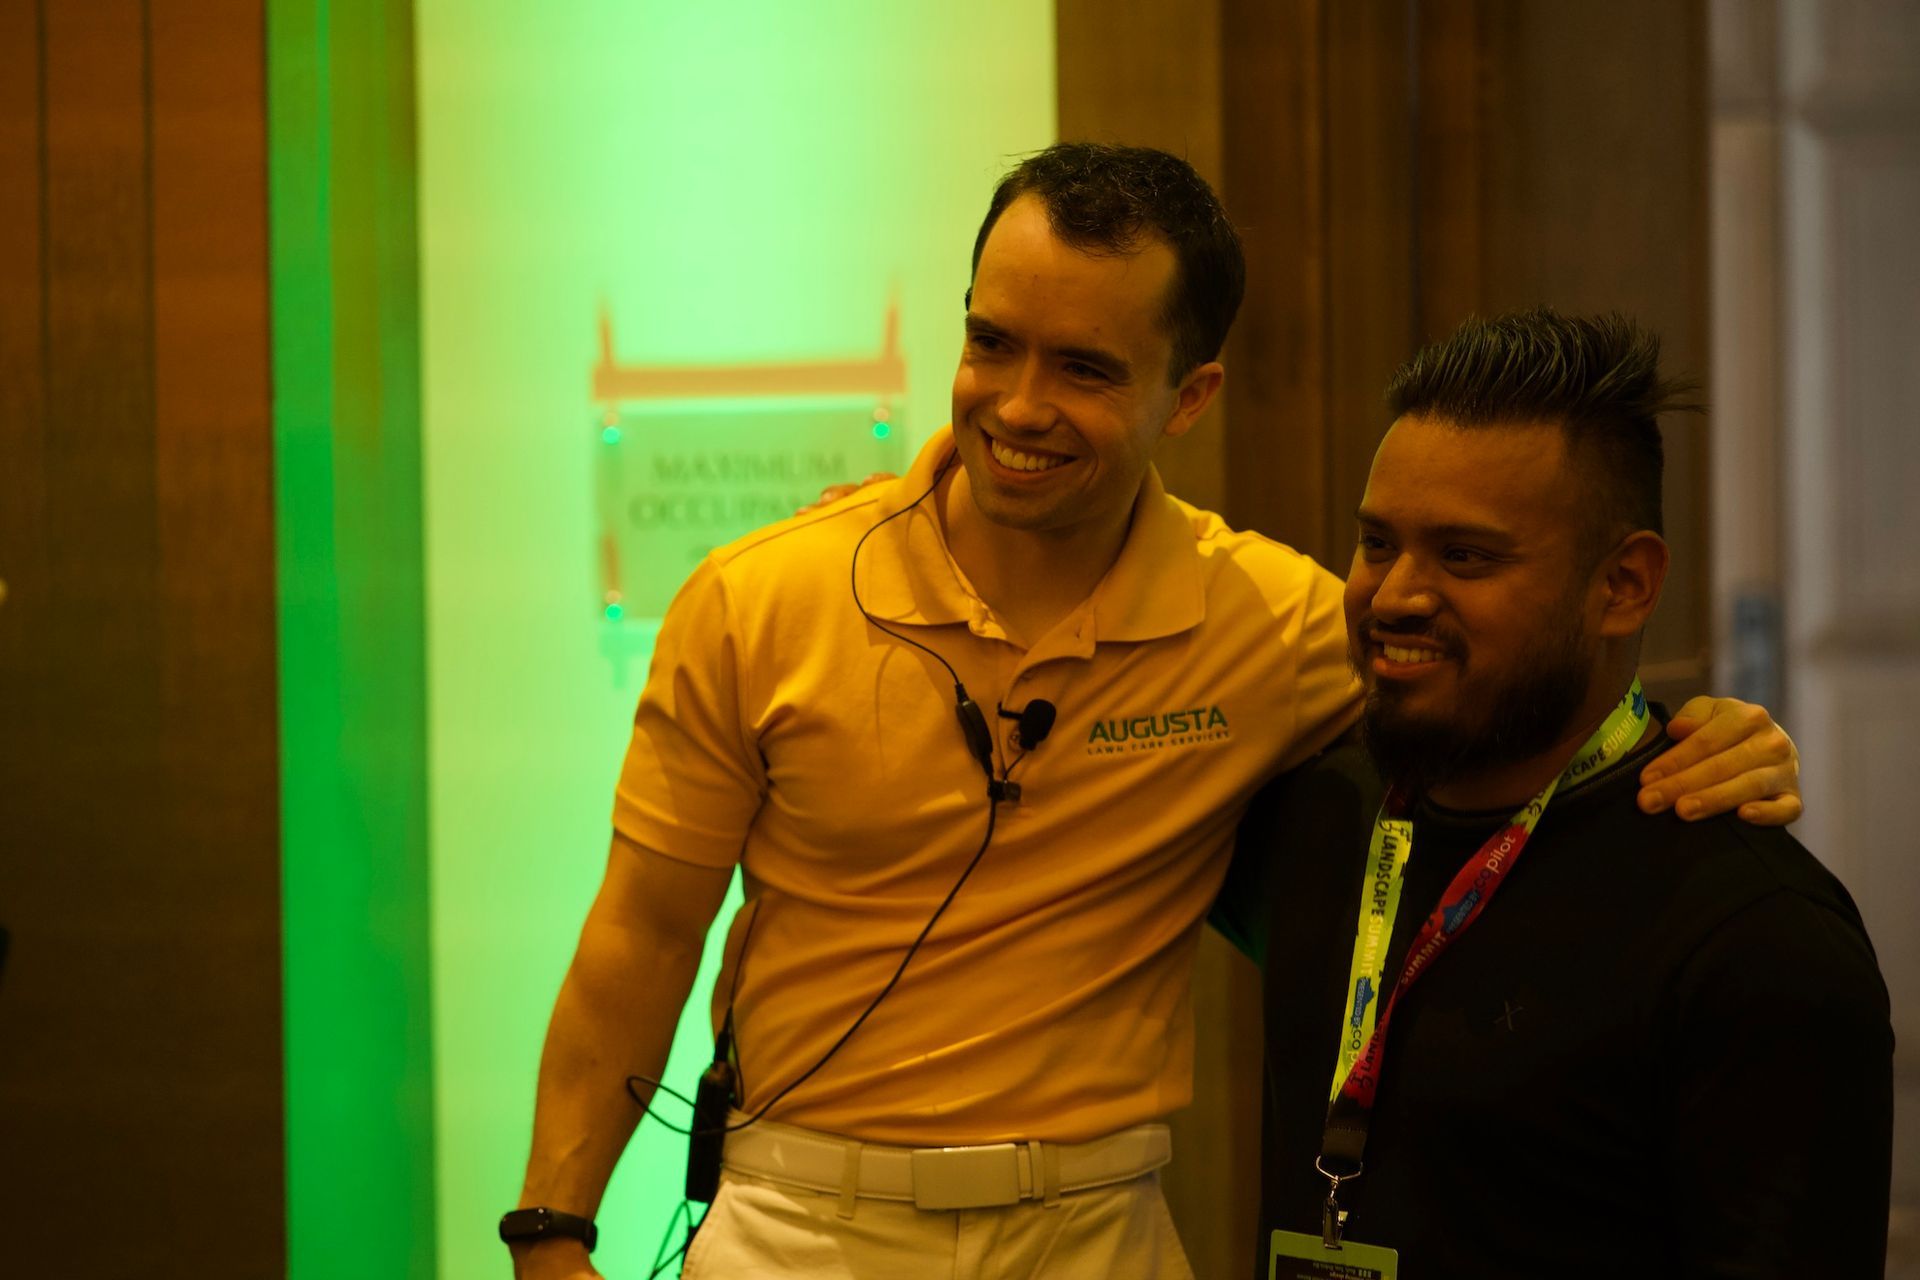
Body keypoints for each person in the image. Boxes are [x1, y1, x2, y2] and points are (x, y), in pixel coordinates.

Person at [506, 147, 1802, 1280]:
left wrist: (1695, 729)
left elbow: (1496, 699)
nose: (1016, 405)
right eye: (990, 343)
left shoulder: (1276, 621)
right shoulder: (761, 600)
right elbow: (641, 934)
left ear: (1189, 397)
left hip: (1096, 1228)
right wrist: (552, 1232)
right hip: (804, 1222)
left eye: (1081, 367)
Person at [1230, 310, 1892, 1279]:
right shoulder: (1311, 820)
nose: (1397, 594)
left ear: (1623, 583)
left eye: (1466, 556)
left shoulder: (1758, 935)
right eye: (1378, 542)